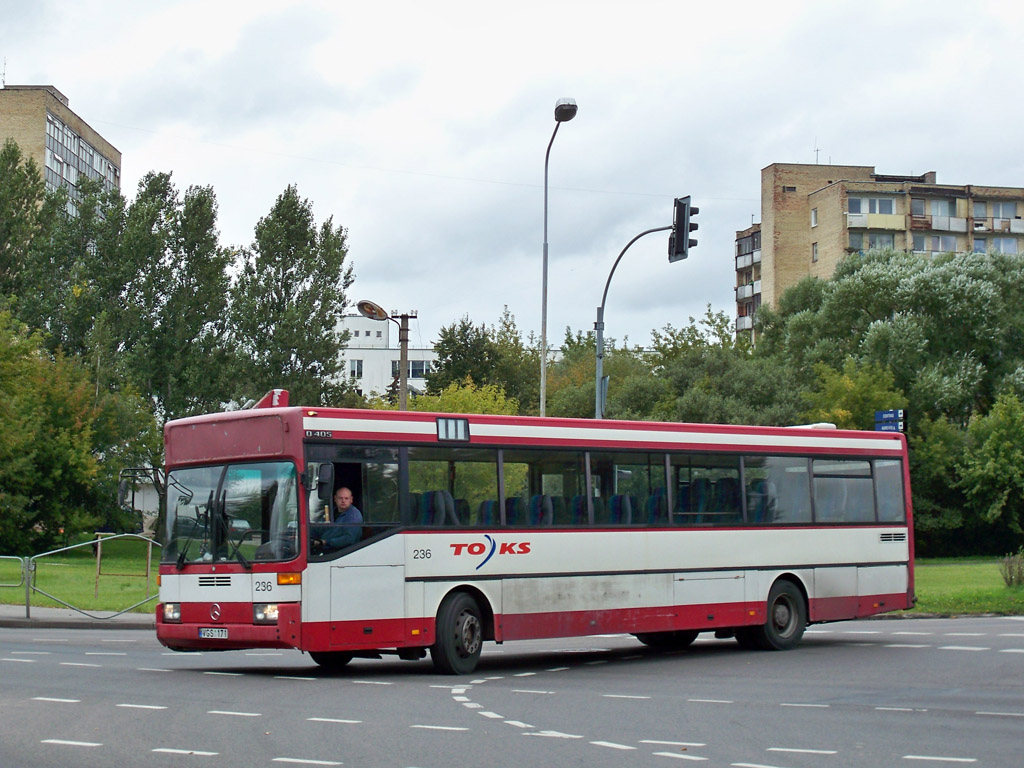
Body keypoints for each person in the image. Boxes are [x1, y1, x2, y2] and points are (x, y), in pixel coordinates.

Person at [311, 487, 363, 554]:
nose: (343, 501)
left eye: (346, 498)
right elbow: (320, 528)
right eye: (340, 498)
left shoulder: (353, 515)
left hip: (342, 553)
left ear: (351, 500)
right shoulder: (331, 512)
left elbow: (349, 539)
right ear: (335, 498)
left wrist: (326, 542)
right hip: (326, 551)